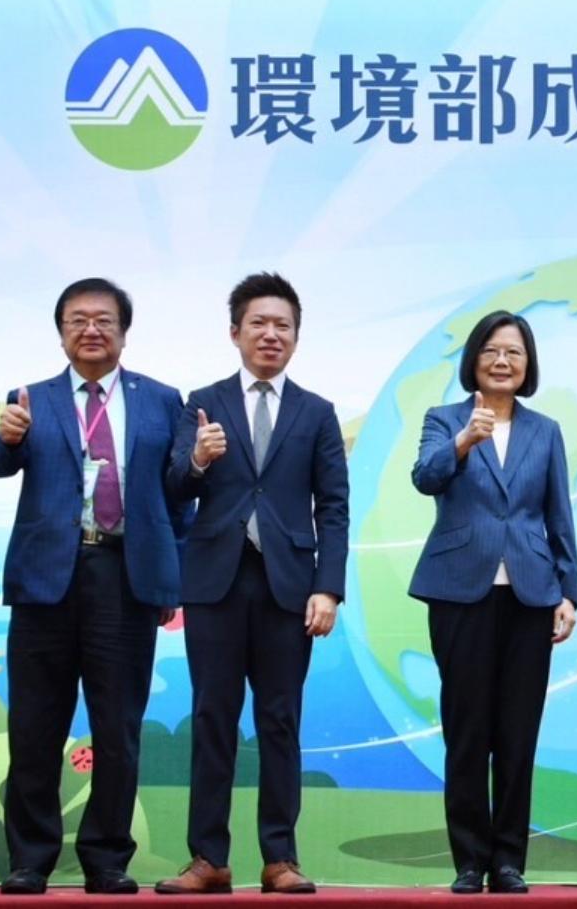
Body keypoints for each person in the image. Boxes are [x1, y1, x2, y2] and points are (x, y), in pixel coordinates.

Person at [0, 278, 189, 897]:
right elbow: (0, 462)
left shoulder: (162, 400)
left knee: (118, 727)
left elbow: (179, 492)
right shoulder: (32, 397)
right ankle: (31, 859)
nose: (91, 329)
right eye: (78, 320)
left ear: (124, 331)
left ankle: (107, 858)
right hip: (46, 576)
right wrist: (6, 437)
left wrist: (172, 577)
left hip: (125, 575)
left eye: (104, 319)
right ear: (61, 333)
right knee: (35, 726)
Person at [158, 272, 351, 897]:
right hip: (214, 583)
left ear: (296, 336)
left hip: (288, 589)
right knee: (212, 719)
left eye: (282, 325)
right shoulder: (202, 402)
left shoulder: (317, 413)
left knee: (280, 722)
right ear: (235, 332)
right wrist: (198, 459)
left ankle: (280, 859)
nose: (271, 334)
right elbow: (173, 485)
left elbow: (334, 507)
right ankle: (207, 858)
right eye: (259, 324)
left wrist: (328, 587)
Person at [409, 310, 577, 894]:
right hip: (459, 591)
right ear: (473, 360)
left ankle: (508, 860)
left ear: (528, 364)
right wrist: (464, 441)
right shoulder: (444, 419)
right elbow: (425, 478)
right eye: (491, 350)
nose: (502, 361)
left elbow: (559, 513)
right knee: (467, 731)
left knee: (516, 733)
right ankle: (468, 860)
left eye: (514, 352)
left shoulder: (545, 431)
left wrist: (568, 591)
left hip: (531, 594)